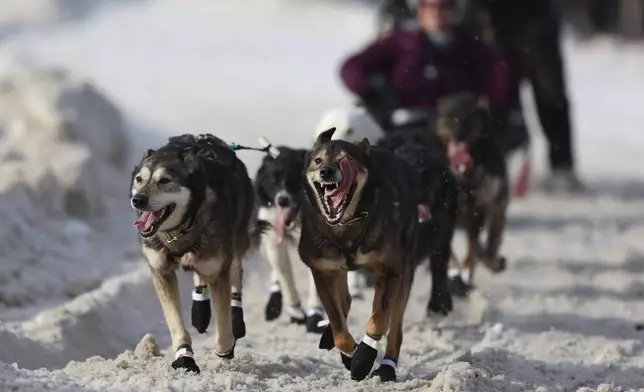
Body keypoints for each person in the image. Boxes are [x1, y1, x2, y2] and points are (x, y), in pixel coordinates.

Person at [340, 0, 508, 135]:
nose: (436, 12)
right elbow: (351, 68)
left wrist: (485, 98)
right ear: (419, 8)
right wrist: (374, 90)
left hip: (455, 128)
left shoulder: (467, 43)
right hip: (404, 123)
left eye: (444, 6)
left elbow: (498, 71)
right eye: (429, 5)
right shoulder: (401, 41)